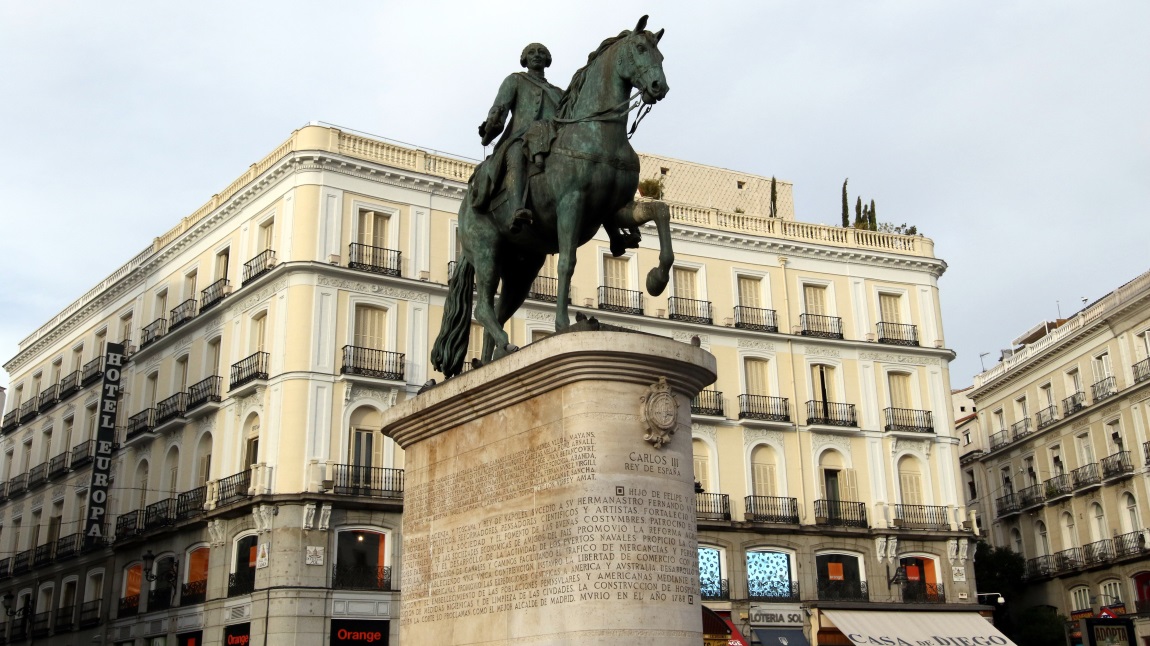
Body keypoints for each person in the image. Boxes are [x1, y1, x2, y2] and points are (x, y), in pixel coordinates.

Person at [477, 43, 563, 232]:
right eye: (531, 52)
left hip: (551, 139)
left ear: (548, 59)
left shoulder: (558, 93)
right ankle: (517, 208)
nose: (537, 55)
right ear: (524, 59)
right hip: (521, 137)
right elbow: (500, 108)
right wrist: (491, 123)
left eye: (542, 52)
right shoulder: (515, 80)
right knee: (516, 154)